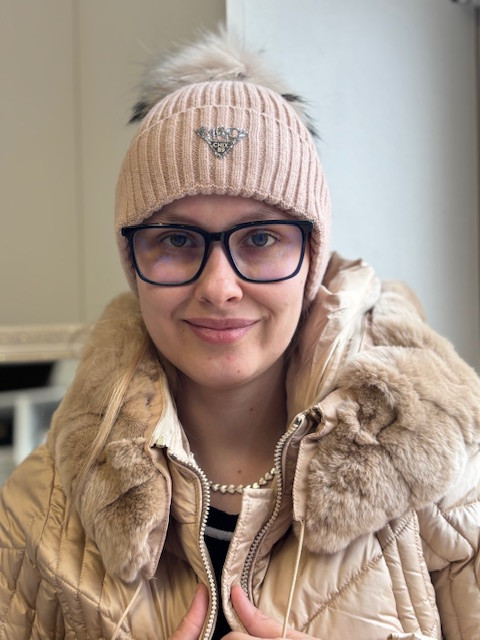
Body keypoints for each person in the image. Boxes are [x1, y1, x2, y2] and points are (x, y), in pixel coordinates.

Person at [1, 28, 479, 640]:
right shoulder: (38, 509)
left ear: (311, 256)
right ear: (132, 261)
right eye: (177, 239)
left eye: (260, 238)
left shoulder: (449, 480)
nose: (219, 287)